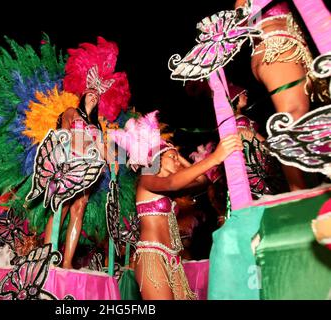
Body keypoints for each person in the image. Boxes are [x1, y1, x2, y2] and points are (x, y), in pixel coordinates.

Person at [110, 111, 243, 300]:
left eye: (176, 157)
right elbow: (172, 182)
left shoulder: (170, 190)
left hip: (173, 259)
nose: (176, 161)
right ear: (156, 160)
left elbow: (203, 181)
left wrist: (174, 153)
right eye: (171, 157)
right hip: (152, 256)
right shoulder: (147, 179)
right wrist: (214, 158)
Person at [235, 0, 314, 191]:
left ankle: (304, 190)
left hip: (275, 47)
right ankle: (299, 194)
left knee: (299, 120)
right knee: (292, 119)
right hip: (277, 46)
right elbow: (240, 17)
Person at [43, 90, 105, 269]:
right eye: (91, 93)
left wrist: (115, 162)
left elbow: (103, 150)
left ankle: (67, 262)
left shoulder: (97, 125)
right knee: (62, 207)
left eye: (97, 95)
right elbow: (62, 134)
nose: (94, 95)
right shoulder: (72, 112)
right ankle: (47, 257)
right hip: (70, 164)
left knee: (79, 208)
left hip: (89, 171)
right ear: (83, 96)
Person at [230, 83, 288, 198]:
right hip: (259, 162)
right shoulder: (240, 121)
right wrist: (271, 147)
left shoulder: (234, 120)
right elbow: (253, 138)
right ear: (234, 97)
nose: (246, 95)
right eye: (242, 94)